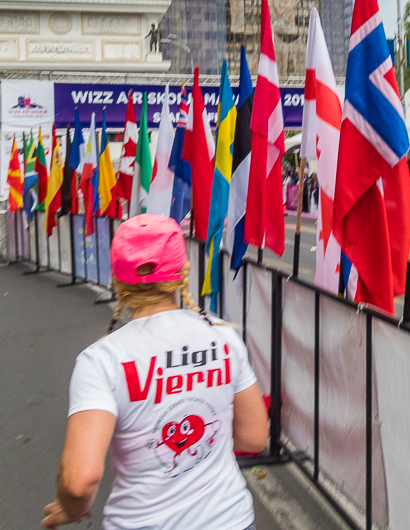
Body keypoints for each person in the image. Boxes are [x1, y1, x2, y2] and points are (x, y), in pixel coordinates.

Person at [43, 214, 268, 529]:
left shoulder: (102, 361)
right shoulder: (223, 335)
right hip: (230, 520)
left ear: (117, 279)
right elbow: (254, 437)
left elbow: (79, 481)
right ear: (182, 272)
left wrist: (70, 509)